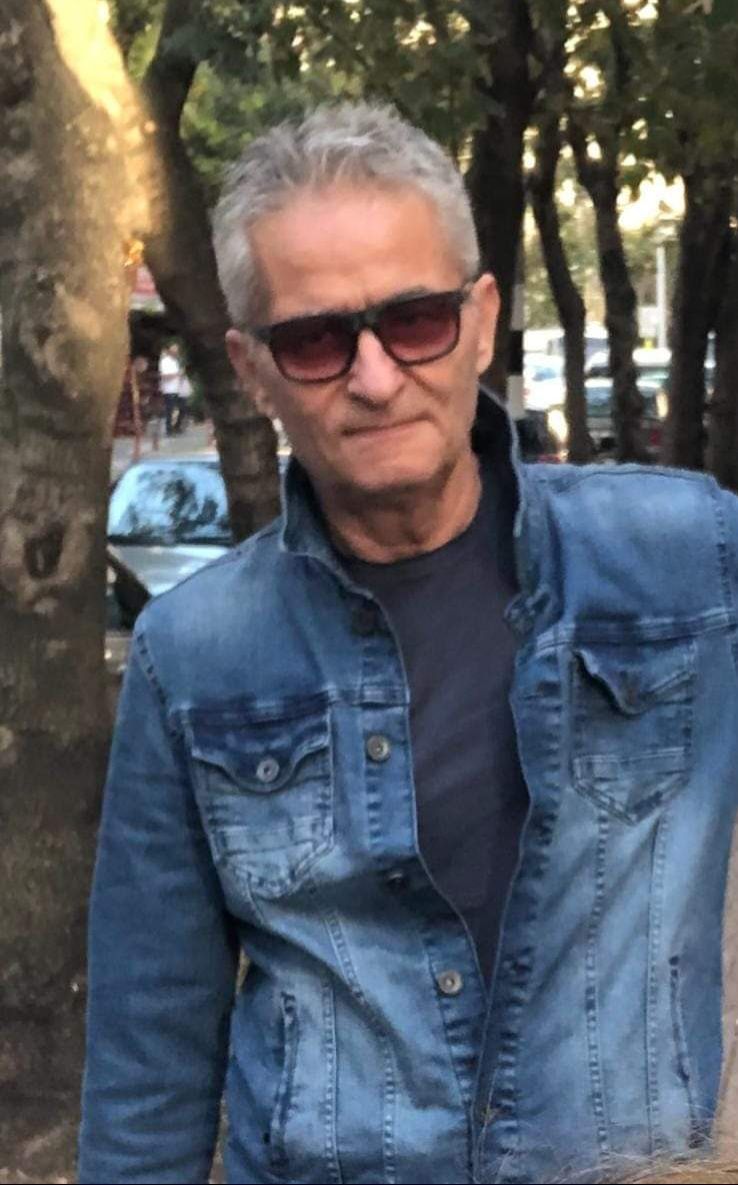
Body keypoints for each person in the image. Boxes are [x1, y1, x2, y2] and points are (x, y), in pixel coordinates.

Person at [78, 103, 738, 1184]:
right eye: (316, 339)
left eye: (416, 320)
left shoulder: (687, 562)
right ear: (252, 370)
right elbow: (148, 1065)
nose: (376, 377)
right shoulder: (190, 657)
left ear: (481, 320)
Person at [158, 340, 183, 435]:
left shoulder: (175, 361)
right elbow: (164, 376)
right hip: (169, 389)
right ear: (169, 350)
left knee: (179, 408)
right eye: (174, 349)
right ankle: (169, 429)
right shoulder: (165, 361)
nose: (176, 351)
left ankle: (175, 427)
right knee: (170, 409)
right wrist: (177, 374)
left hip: (177, 389)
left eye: (177, 349)